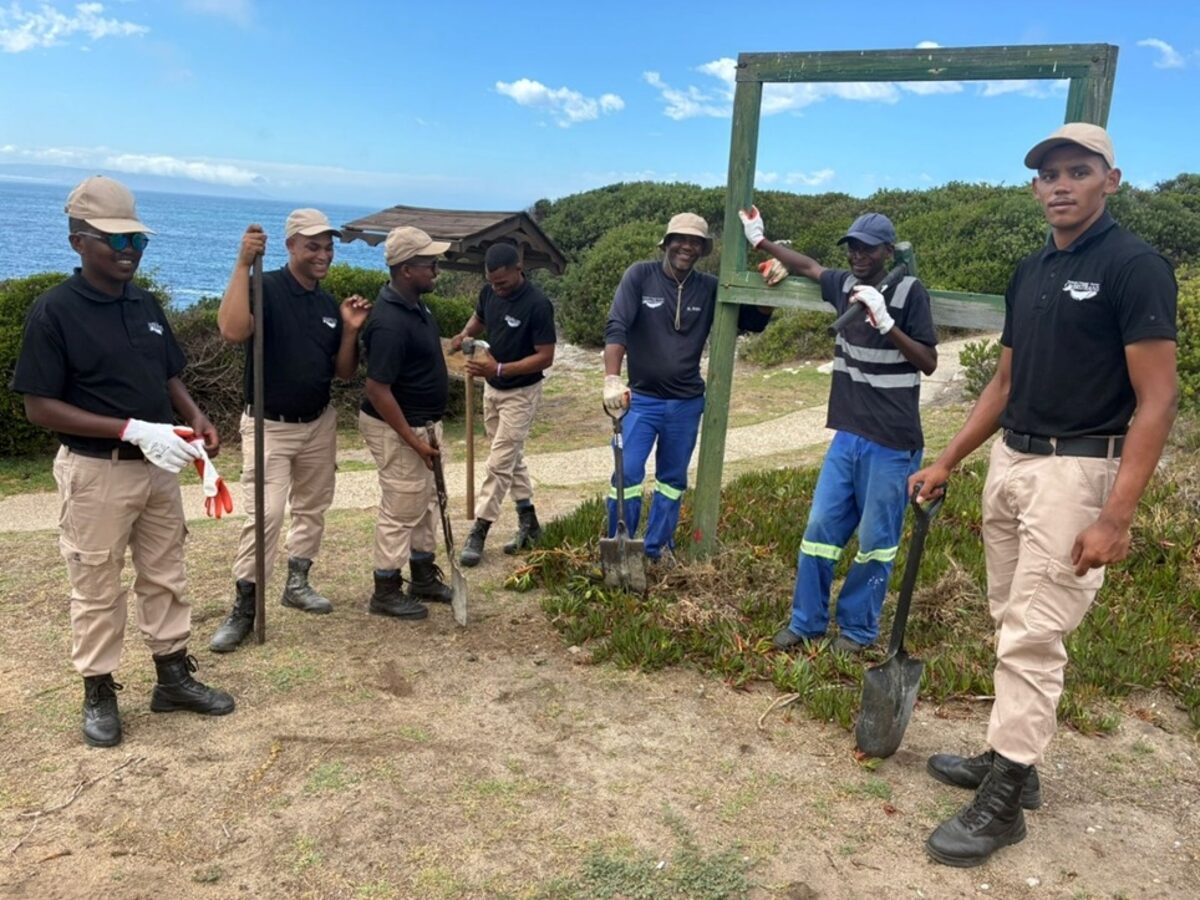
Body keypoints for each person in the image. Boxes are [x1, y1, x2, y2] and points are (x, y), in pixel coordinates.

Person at [909, 123, 1178, 867]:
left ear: (1110, 181)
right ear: (1034, 188)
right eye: (1048, 174)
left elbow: (1157, 400)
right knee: (1011, 618)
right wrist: (950, 459)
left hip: (1077, 472)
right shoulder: (1030, 271)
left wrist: (1116, 515)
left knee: (1034, 632)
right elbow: (1004, 381)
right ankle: (1011, 764)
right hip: (1012, 462)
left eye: (1077, 171)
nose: (1060, 184)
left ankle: (1003, 806)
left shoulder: (1135, 266)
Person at [10, 175, 235, 747]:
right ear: (78, 242)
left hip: (157, 469)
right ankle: (99, 690)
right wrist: (130, 428)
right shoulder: (53, 311)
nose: (129, 252)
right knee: (96, 584)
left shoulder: (145, 302)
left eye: (137, 241)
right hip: (96, 470)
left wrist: (196, 416)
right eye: (116, 241)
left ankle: (172, 678)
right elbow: (39, 407)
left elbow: (168, 373)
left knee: (166, 574)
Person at [739, 208, 938, 654]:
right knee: (819, 530)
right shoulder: (845, 286)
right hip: (847, 436)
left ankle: (856, 631)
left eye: (867, 247)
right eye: (852, 246)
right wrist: (760, 242)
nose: (857, 255)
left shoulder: (909, 292)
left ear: (888, 250)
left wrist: (888, 324)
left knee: (875, 543)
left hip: (892, 443)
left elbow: (928, 362)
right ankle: (806, 623)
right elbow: (809, 266)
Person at [208, 210, 370, 652]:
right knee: (265, 514)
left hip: (318, 422)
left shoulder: (326, 305)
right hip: (269, 426)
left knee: (313, 506)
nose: (324, 254)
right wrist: (242, 264)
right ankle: (244, 607)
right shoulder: (264, 286)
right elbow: (232, 330)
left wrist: (350, 331)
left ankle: (297, 582)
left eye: (328, 246)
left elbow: (342, 372)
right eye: (313, 246)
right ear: (290, 247)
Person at [602, 213, 772, 562]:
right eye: (680, 239)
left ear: (703, 249)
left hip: (686, 403)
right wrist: (612, 379)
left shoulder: (709, 287)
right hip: (642, 400)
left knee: (672, 479)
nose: (687, 247)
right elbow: (617, 325)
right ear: (666, 243)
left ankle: (656, 550)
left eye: (696, 242)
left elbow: (751, 322)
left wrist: (769, 289)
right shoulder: (640, 276)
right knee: (628, 474)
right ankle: (620, 548)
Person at [358, 226, 456, 618]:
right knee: (402, 505)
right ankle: (385, 589)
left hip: (424, 424)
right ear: (405, 270)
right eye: (428, 262)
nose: (436, 268)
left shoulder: (416, 305)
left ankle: (422, 576)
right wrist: (414, 441)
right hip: (399, 428)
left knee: (428, 500)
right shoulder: (389, 321)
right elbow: (377, 389)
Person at [450, 243, 556, 565]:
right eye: (492, 282)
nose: (497, 288)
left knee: (499, 462)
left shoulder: (538, 305)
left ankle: (479, 530)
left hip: (521, 393)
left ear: (518, 268)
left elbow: (546, 357)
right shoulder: (489, 292)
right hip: (491, 389)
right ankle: (529, 523)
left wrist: (498, 369)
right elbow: (478, 318)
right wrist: (463, 335)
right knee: (511, 457)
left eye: (503, 283)